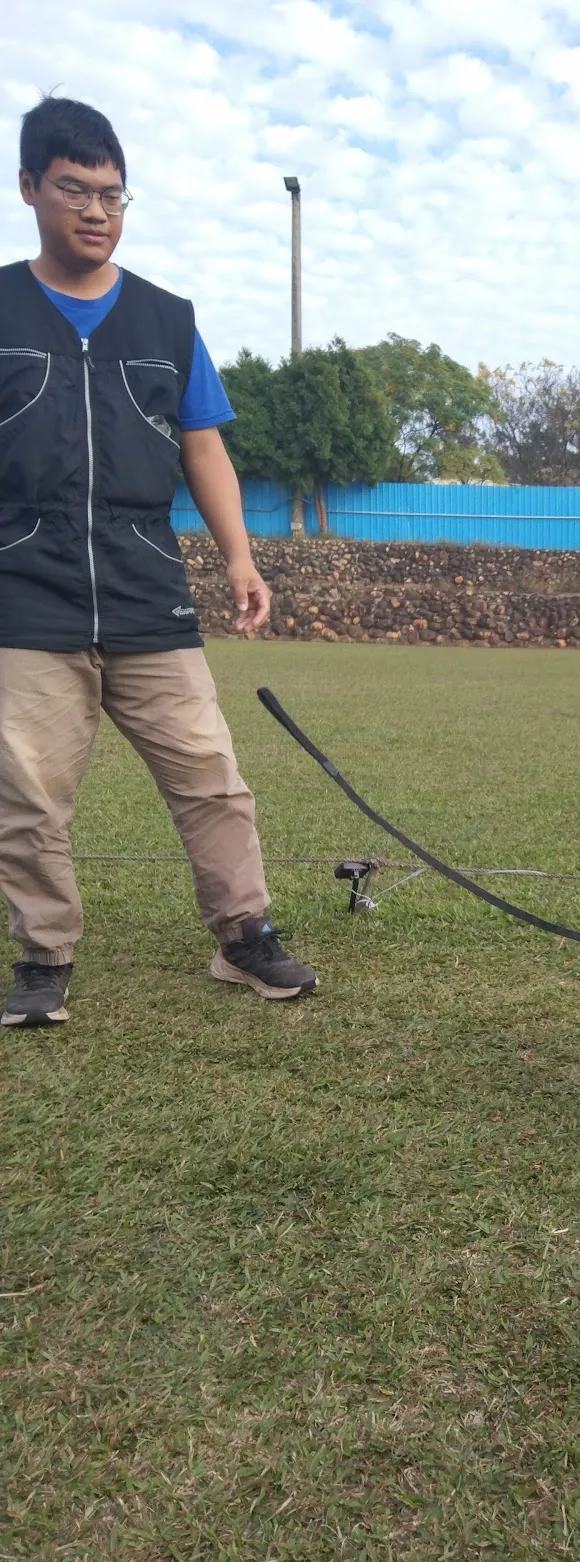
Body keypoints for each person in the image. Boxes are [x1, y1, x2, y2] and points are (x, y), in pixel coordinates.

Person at [0, 96, 317, 1026]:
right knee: (26, 794)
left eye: (113, 194)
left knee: (211, 776)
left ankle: (243, 935)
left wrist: (240, 560)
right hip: (25, 591)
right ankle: (43, 958)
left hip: (147, 590)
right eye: (75, 190)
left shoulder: (168, 320)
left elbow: (204, 448)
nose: (97, 211)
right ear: (28, 189)